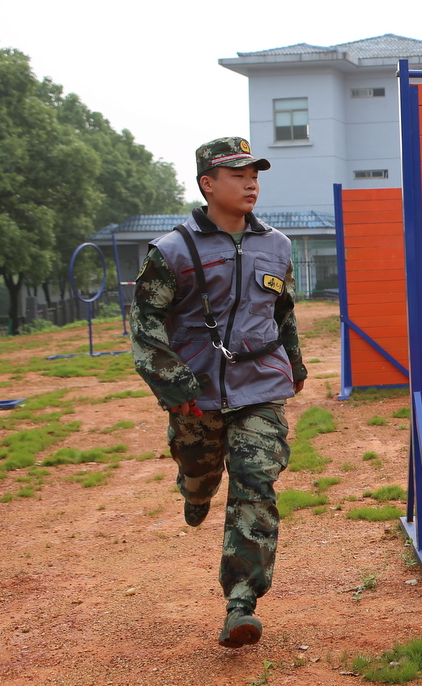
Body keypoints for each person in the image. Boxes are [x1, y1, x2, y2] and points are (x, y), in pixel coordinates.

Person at [130, 136, 307, 648]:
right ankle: (195, 487)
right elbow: (145, 328)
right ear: (208, 184)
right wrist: (173, 384)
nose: (250, 182)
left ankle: (241, 602)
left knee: (255, 481)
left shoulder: (278, 245)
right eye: (237, 174)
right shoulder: (171, 251)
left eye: (255, 173)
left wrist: (292, 363)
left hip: (260, 387)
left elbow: (283, 312)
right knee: (201, 471)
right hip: (195, 393)